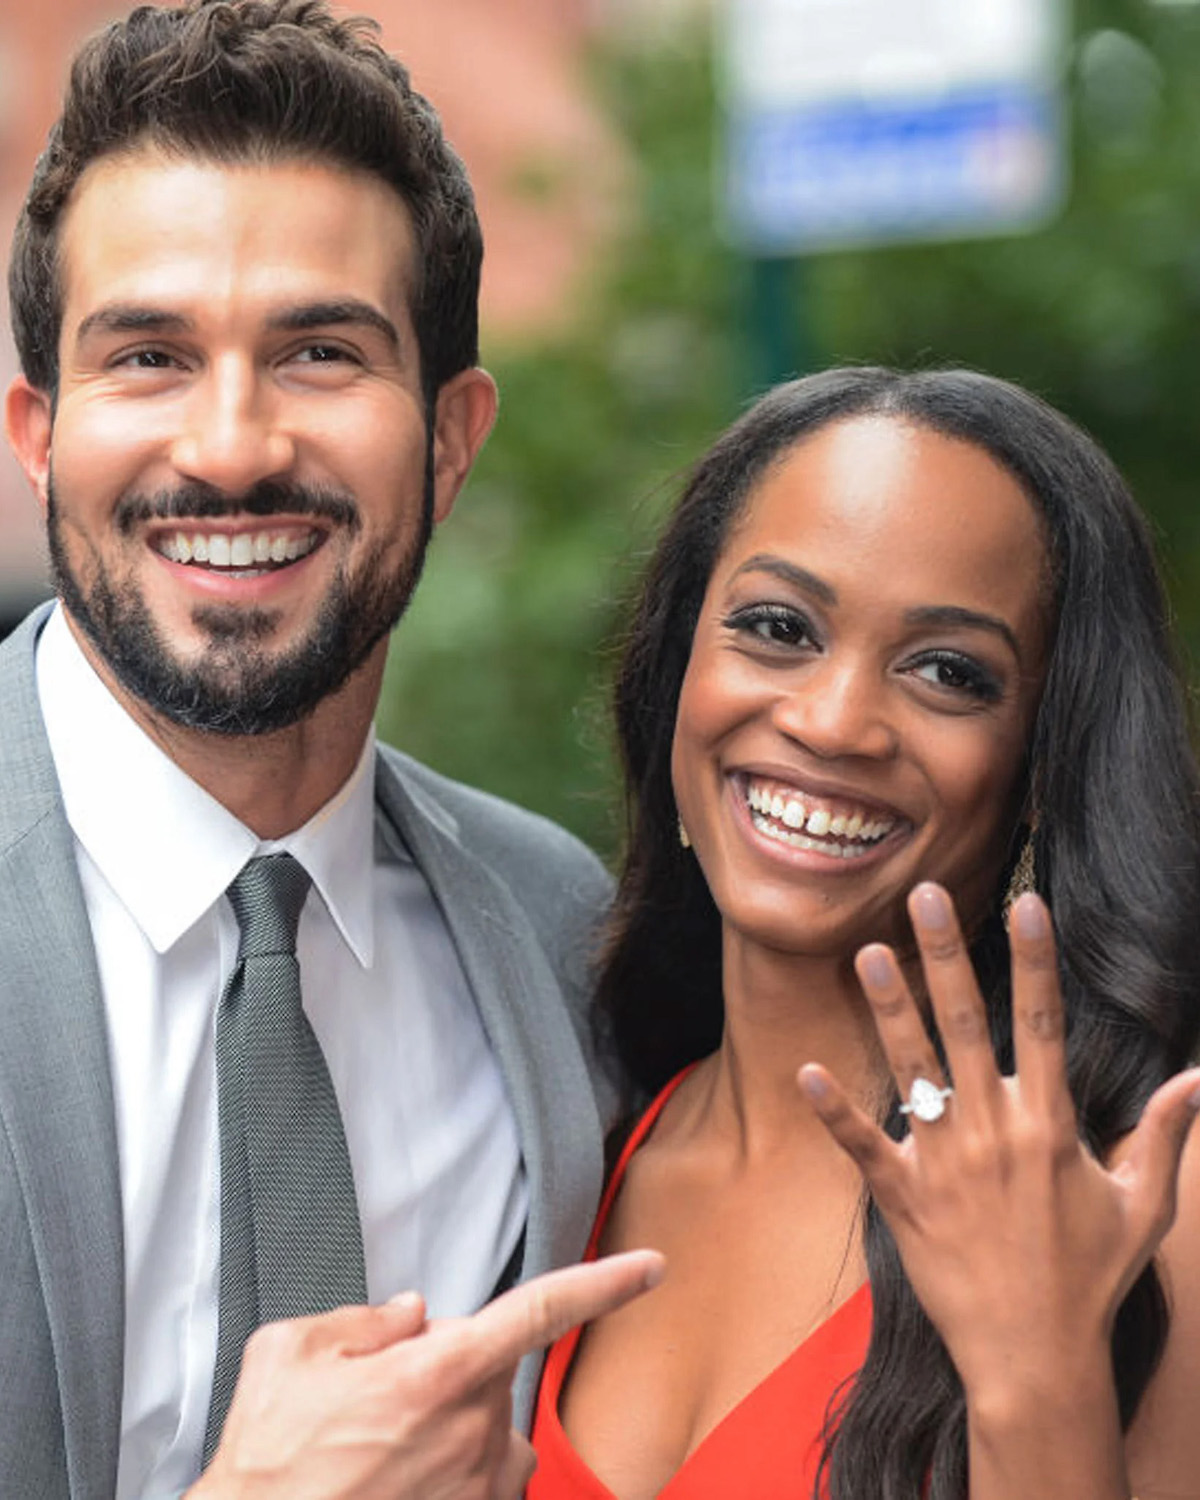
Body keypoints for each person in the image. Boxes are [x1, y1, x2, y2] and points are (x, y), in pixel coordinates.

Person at [0, 3, 663, 1498]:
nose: (231, 445)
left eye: (318, 352)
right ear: (40, 431)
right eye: (151, 355)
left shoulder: (557, 939)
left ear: (450, 436)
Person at [530, 367, 1200, 1499]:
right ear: (676, 677)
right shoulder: (575, 1135)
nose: (834, 722)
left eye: (948, 672)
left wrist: (1037, 1380)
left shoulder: (1140, 1190)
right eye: (778, 627)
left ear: (1041, 766)